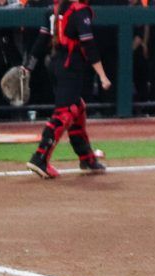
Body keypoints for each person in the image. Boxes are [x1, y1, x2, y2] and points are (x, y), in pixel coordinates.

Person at [22, 0, 111, 178]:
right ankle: (39, 157)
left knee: (77, 107)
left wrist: (28, 66)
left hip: (55, 65)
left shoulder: (52, 10)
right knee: (65, 111)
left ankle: (87, 158)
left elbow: (41, 41)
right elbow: (89, 45)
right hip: (70, 67)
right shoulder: (79, 11)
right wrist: (102, 75)